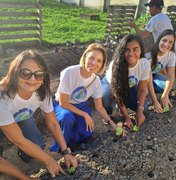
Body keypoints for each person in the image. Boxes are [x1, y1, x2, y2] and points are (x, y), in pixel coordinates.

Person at [0, 50, 78, 178]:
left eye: (39, 74)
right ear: (15, 72)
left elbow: (52, 123)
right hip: (4, 116)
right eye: (25, 73)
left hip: (17, 117)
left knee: (37, 146)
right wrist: (47, 161)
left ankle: (24, 154)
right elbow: (18, 140)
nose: (32, 79)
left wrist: (66, 152)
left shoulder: (42, 92)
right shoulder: (3, 99)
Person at [50, 43, 118, 152]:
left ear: (102, 65)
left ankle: (74, 141)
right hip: (63, 105)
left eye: (99, 61)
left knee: (86, 132)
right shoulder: (70, 73)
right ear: (85, 57)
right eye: (92, 58)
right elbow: (63, 102)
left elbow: (99, 107)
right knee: (67, 118)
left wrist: (111, 123)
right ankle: (62, 147)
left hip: (81, 106)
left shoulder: (96, 81)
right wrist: (85, 114)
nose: (94, 63)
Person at [102, 34, 150, 128]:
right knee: (105, 96)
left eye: (135, 49)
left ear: (141, 50)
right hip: (111, 85)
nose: (131, 53)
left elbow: (142, 89)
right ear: (122, 52)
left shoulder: (144, 63)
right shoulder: (115, 65)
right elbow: (117, 93)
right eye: (127, 50)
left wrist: (139, 111)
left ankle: (123, 106)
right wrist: (126, 118)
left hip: (129, 87)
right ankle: (107, 112)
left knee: (143, 106)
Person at [146, 29, 176, 113]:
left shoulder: (171, 55)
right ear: (159, 40)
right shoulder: (149, 55)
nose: (166, 44)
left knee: (168, 86)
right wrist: (155, 101)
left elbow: (170, 75)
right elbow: (148, 79)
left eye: (170, 42)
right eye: (164, 40)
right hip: (142, 78)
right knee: (145, 93)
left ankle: (154, 90)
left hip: (154, 75)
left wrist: (165, 95)